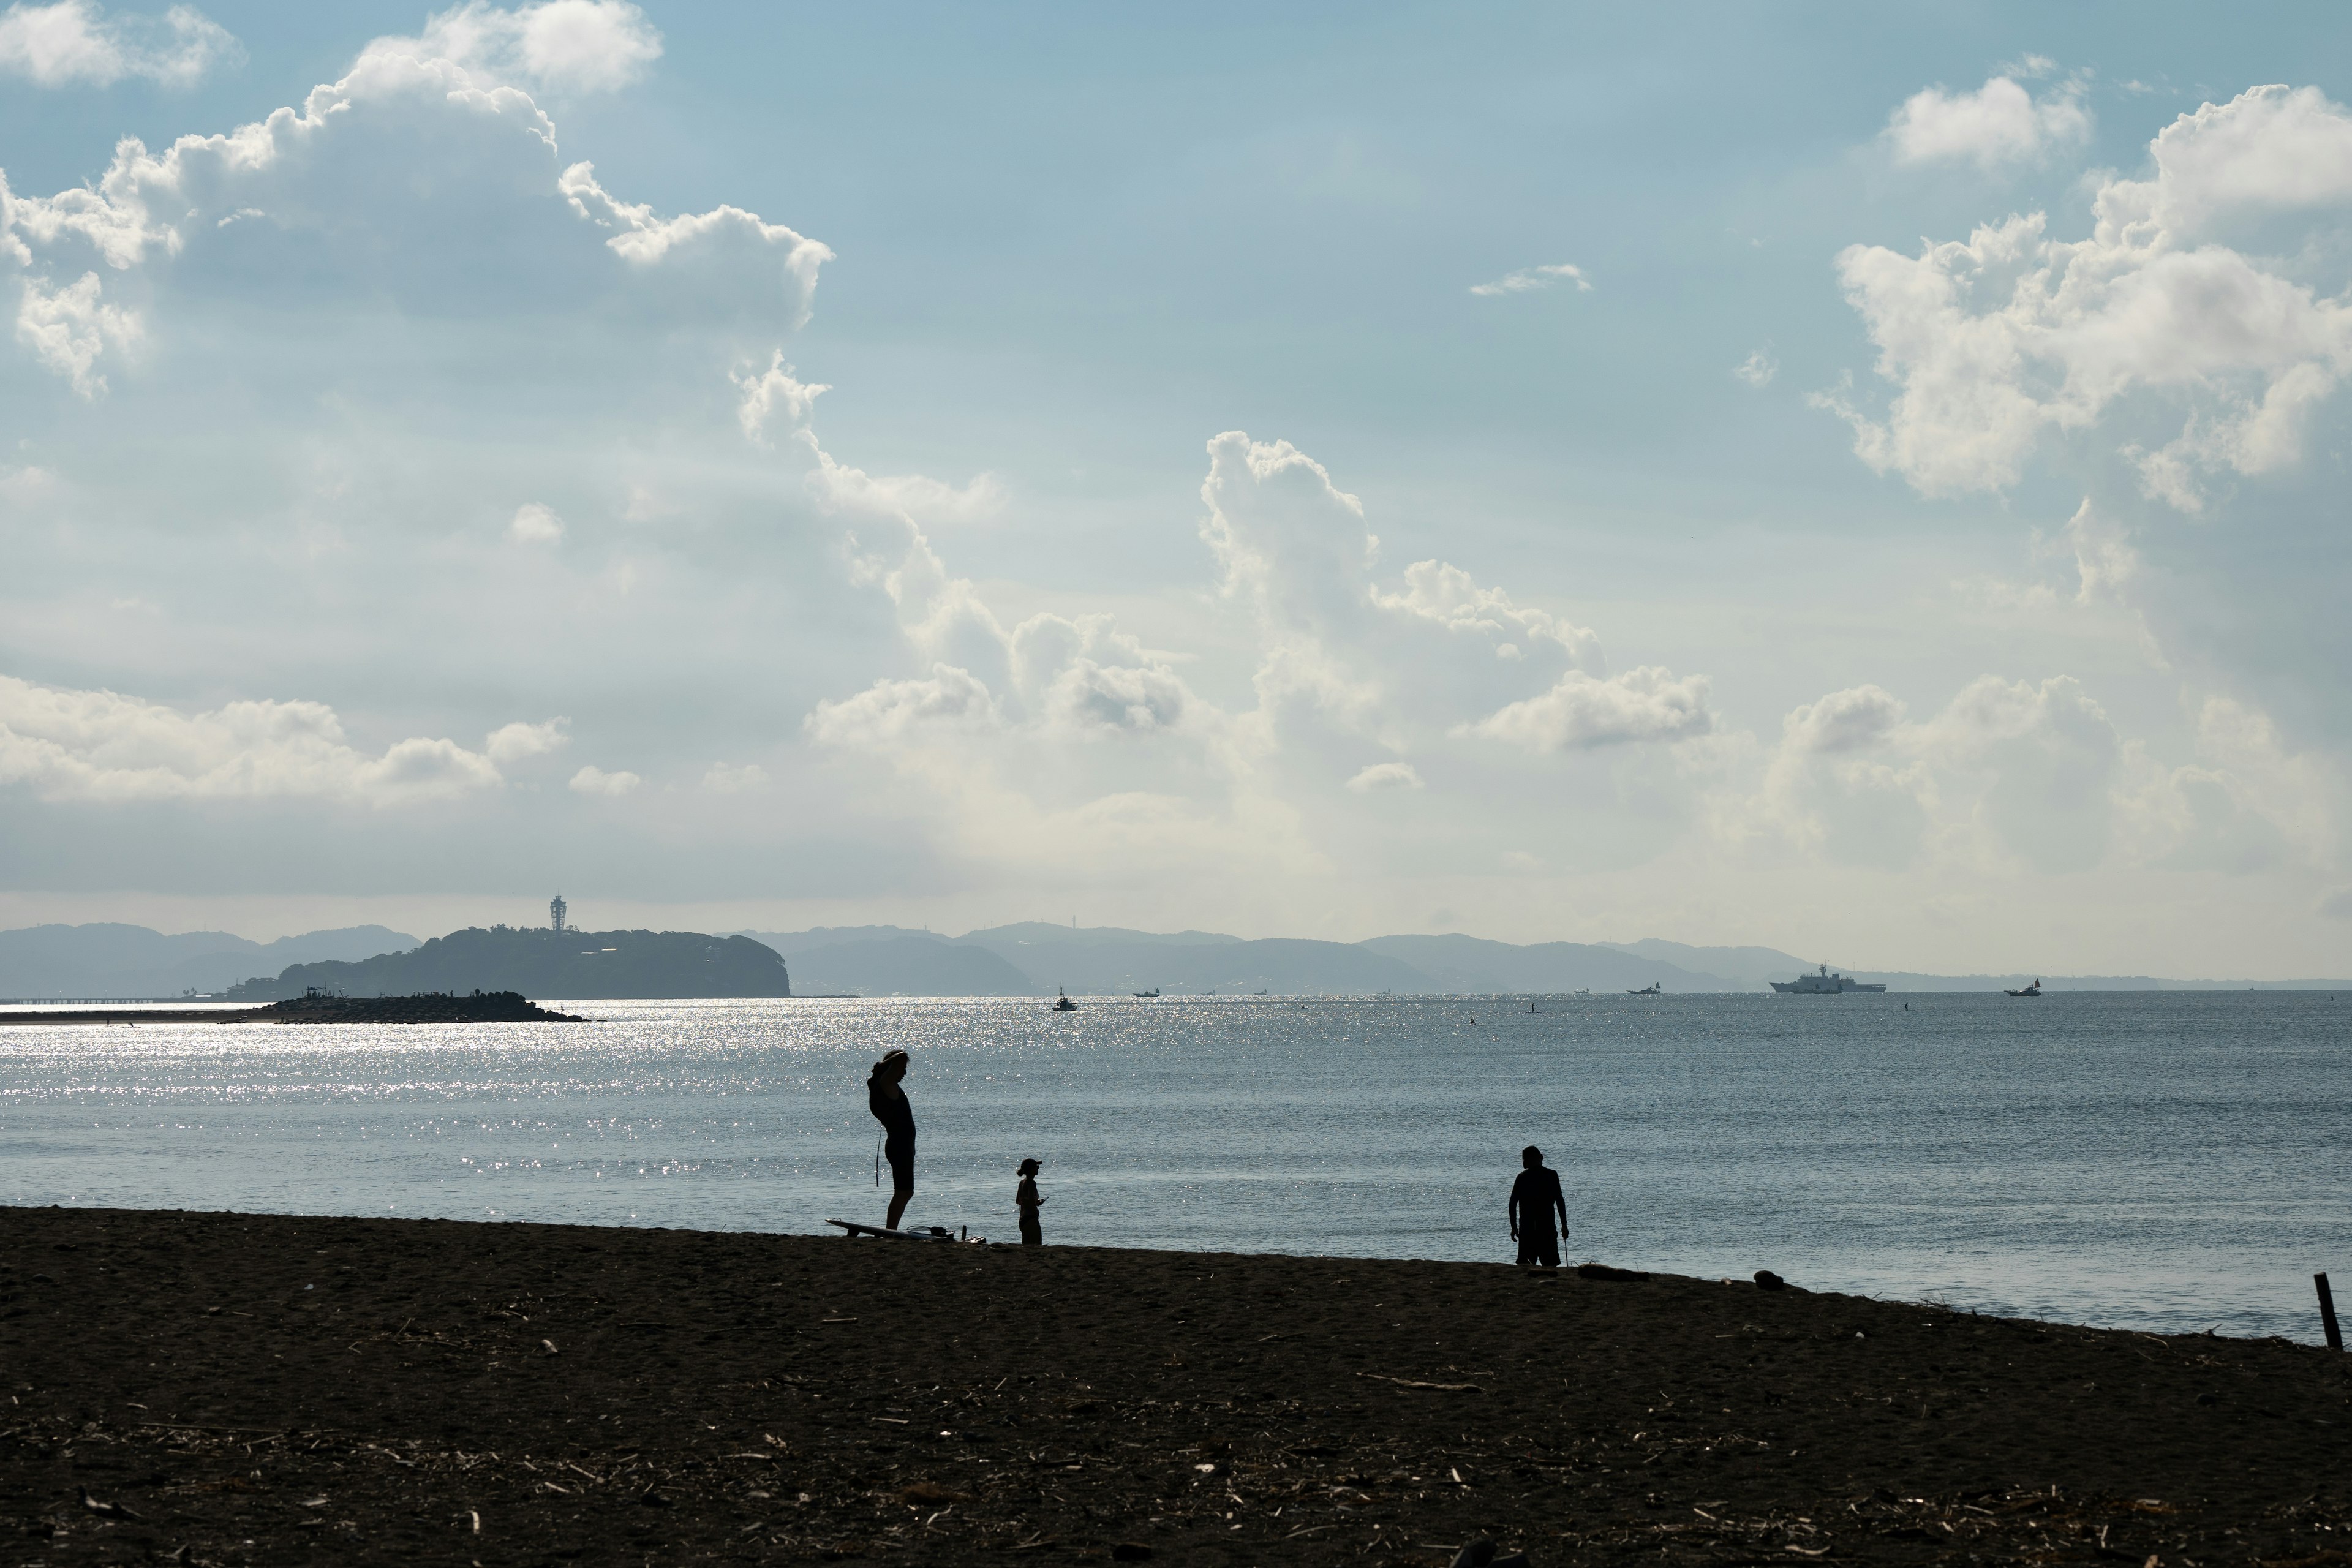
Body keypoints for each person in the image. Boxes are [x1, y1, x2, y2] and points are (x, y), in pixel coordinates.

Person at [867, 1049, 916, 1230]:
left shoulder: (883, 1085)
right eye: (902, 1068)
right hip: (900, 1146)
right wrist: (884, 1064)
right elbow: (902, 1055)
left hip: (900, 1146)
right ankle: (891, 1230)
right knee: (904, 1192)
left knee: (905, 1192)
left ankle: (891, 1229)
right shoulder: (886, 1084)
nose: (904, 1072)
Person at [1508, 1145, 1569, 1269]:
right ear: (1540, 1158)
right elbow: (1560, 1201)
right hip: (1546, 1228)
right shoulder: (1551, 1175)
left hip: (1528, 1229)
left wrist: (1514, 1227)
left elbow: (1513, 1204)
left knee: (1526, 1267)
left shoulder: (1522, 1178)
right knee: (1550, 1265)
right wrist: (1564, 1225)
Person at [1016, 1156, 1047, 1246]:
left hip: (1022, 1219)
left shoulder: (1022, 1182)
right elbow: (1029, 1201)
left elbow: (1018, 1201)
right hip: (1031, 1219)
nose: (1038, 1169)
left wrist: (1035, 1203)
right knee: (1037, 1245)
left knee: (1026, 1247)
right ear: (1031, 1170)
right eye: (1036, 1167)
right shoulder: (1031, 1183)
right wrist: (1035, 1210)